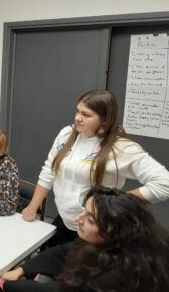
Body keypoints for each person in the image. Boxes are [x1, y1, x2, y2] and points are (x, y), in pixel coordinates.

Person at [22, 90, 169, 247]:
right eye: (78, 111)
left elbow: (164, 183)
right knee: (47, 264)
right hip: (65, 220)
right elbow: (49, 171)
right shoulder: (67, 134)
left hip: (96, 230)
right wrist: (32, 206)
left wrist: (115, 202)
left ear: (104, 120)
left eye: (86, 115)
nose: (78, 118)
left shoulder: (120, 148)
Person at [0, 187, 169, 291]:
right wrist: (23, 269)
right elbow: (64, 252)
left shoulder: (120, 273)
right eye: (84, 210)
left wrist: (4, 285)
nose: (78, 219)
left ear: (112, 230)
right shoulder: (112, 239)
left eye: (89, 218)